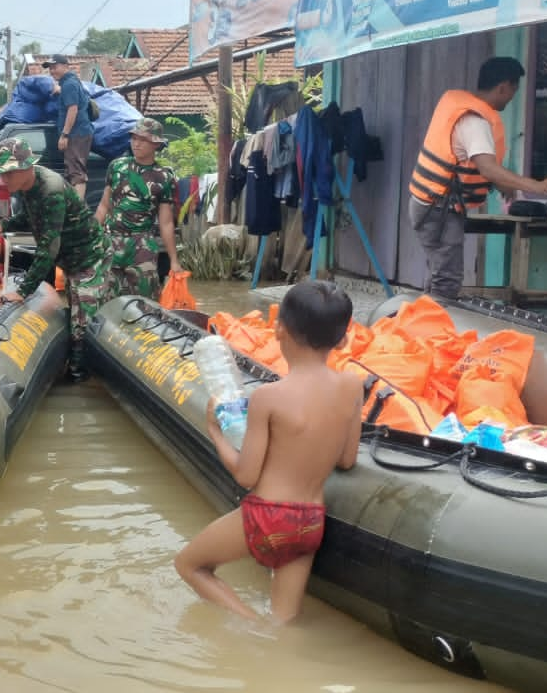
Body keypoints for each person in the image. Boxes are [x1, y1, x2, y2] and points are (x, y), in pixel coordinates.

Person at [173, 280, 361, 624]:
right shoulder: (352, 387)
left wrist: (216, 433)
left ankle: (250, 626)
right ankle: (270, 640)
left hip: (268, 516)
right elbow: (347, 459)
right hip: (310, 522)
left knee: (189, 565)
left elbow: (246, 476)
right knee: (283, 620)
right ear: (342, 338)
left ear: (279, 330)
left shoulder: (268, 398)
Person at [408, 57, 547, 300]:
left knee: (439, 274)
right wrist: (537, 186)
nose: (513, 97)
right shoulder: (475, 122)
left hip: (430, 203)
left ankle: (426, 323)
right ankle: (431, 330)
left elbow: (476, 168)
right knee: (446, 280)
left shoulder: (461, 107)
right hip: (439, 208)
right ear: (503, 87)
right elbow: (488, 169)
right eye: (513, 90)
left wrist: (504, 186)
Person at [0, 138, 110, 381]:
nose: (3, 180)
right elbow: (31, 218)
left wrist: (24, 290)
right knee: (74, 316)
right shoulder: (30, 186)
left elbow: (49, 248)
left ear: (25, 168)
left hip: (88, 259)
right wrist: (2, 224)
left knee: (82, 325)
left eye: (8, 174)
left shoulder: (50, 190)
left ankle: (78, 379)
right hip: (71, 260)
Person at [97, 118, 180, 298]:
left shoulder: (164, 177)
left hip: (142, 245)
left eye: (142, 139)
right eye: (134, 138)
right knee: (105, 301)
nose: (136, 143)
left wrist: (174, 260)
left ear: (156, 144)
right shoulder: (117, 166)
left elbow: (166, 223)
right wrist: (92, 239)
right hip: (111, 242)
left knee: (146, 302)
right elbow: (104, 205)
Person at [45, 54, 95, 200]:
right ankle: (74, 208)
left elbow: (72, 109)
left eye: (55, 67)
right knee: (72, 172)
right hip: (78, 132)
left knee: (76, 173)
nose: (52, 71)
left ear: (66, 66)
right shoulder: (69, 83)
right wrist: (59, 90)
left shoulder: (69, 84)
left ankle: (78, 212)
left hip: (76, 134)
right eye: (50, 69)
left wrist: (64, 135)